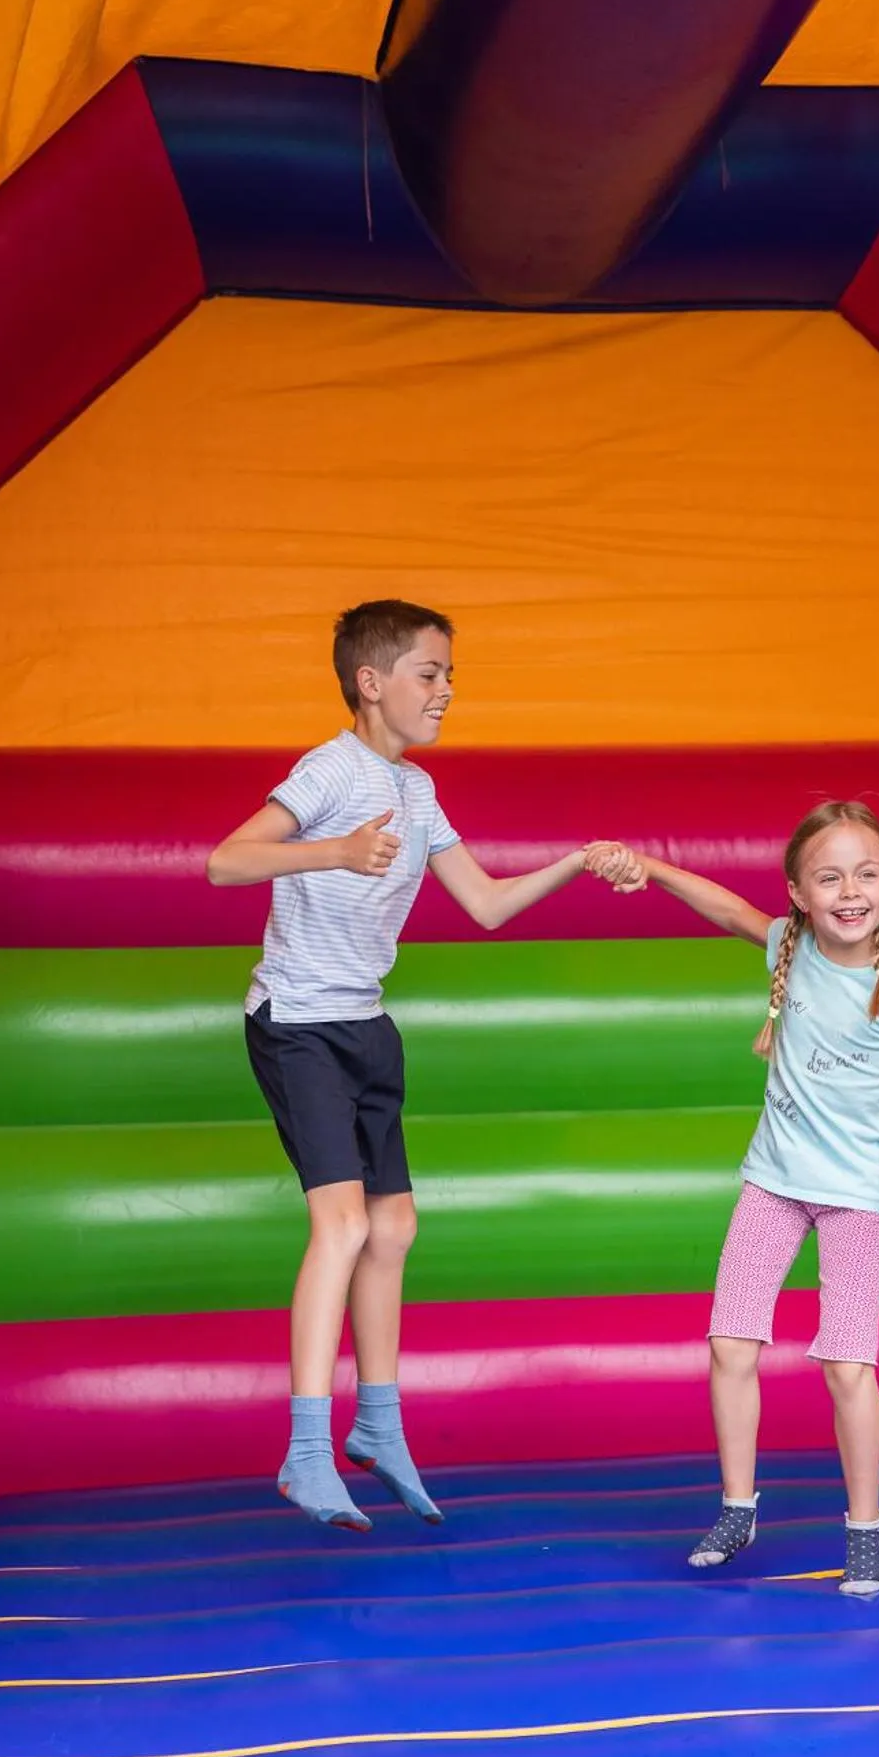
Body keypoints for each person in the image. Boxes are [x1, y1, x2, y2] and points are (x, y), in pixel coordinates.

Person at [208, 598, 620, 1532]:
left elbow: (483, 903)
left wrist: (571, 864)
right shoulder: (330, 770)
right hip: (298, 1023)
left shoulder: (419, 791)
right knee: (345, 1225)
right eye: (429, 674)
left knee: (394, 1227)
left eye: (448, 677)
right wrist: (338, 850)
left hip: (363, 1025)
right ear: (372, 681)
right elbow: (226, 863)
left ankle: (378, 1427)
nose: (444, 692)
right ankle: (306, 1449)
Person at [588, 802, 879, 1595]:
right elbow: (722, 905)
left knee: (847, 1368)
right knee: (729, 1344)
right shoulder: (784, 948)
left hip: (856, 1198)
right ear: (798, 892)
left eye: (866, 875)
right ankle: (737, 1505)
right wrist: (649, 869)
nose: (849, 891)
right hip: (774, 1184)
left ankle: (865, 1531)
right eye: (828, 878)